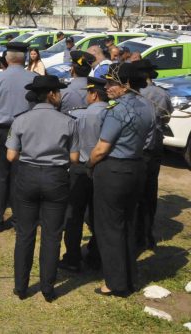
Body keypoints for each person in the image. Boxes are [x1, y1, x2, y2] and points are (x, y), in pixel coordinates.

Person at [6, 75, 79, 303]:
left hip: (27, 175)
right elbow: (75, 158)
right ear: (51, 95)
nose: (60, 96)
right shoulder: (68, 121)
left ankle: (21, 286)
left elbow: (10, 155)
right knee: (52, 235)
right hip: (56, 177)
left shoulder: (21, 120)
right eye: (58, 92)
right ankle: (48, 287)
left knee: (25, 234)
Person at [87, 63, 153, 296]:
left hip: (114, 170)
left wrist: (90, 164)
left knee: (109, 228)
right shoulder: (147, 106)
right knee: (127, 224)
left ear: (125, 85)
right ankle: (128, 276)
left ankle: (115, 283)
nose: (107, 87)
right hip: (136, 168)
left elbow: (101, 149)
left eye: (111, 83)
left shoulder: (117, 111)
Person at [0, 42, 37, 232]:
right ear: (26, 58)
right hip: (25, 132)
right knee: (19, 176)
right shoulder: (34, 78)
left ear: (6, 58)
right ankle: (19, 219)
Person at [60, 76, 108, 273]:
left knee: (74, 215)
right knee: (100, 215)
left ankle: (72, 257)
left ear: (94, 94)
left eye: (88, 93)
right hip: (103, 169)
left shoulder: (78, 116)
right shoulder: (113, 114)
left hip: (80, 168)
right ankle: (96, 256)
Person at [134, 59, 173, 249]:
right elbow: (166, 116)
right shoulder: (160, 94)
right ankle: (147, 233)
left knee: (134, 191)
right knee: (150, 190)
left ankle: (135, 232)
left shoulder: (133, 94)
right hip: (154, 144)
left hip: (135, 145)